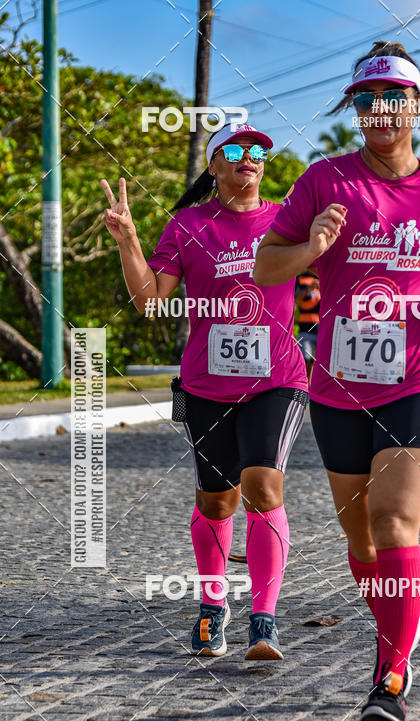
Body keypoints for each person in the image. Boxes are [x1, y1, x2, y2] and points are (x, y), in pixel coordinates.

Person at [253, 41, 420, 721]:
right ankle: (397, 631)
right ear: (353, 109)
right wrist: (313, 250)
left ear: (418, 106)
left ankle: (390, 674)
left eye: (392, 98)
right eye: (364, 100)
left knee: (393, 521)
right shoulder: (324, 181)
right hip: (340, 387)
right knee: (361, 537)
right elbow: (266, 267)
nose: (379, 111)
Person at [100, 123, 308, 659]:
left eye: (259, 150)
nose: (250, 158)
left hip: (277, 380)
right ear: (213, 166)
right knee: (217, 502)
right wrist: (130, 244)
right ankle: (213, 604)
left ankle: (263, 619)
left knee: (263, 485)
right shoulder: (189, 225)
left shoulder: (287, 220)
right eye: (235, 151)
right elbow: (150, 299)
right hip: (205, 386)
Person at [295, 272, 320, 383]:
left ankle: (315, 384)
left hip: (322, 327)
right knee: (306, 358)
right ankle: (306, 383)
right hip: (305, 327)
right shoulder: (300, 278)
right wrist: (309, 289)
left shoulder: (325, 274)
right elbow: (296, 299)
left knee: (321, 361)